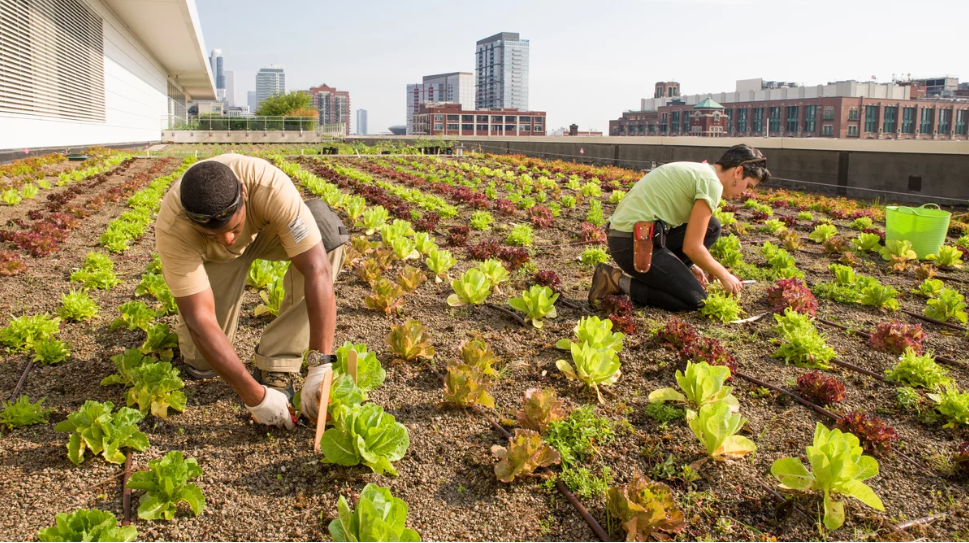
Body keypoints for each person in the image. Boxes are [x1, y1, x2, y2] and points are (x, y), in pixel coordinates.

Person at [154, 154, 348, 430]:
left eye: (233, 228)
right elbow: (200, 319)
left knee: (327, 236)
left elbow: (317, 269)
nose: (229, 240)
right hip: (214, 259)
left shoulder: (269, 187)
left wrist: (320, 365)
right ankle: (210, 356)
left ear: (243, 194)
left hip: (266, 233)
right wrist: (255, 398)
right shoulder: (174, 228)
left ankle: (276, 362)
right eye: (213, 234)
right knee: (201, 364)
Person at [588, 144, 771, 312]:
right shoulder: (711, 184)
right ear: (738, 171)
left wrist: (689, 267)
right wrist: (724, 275)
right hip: (631, 244)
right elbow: (693, 247)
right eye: (748, 186)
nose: (744, 193)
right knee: (696, 300)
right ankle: (616, 281)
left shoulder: (702, 172)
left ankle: (674, 278)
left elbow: (691, 237)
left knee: (712, 226)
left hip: (636, 237)